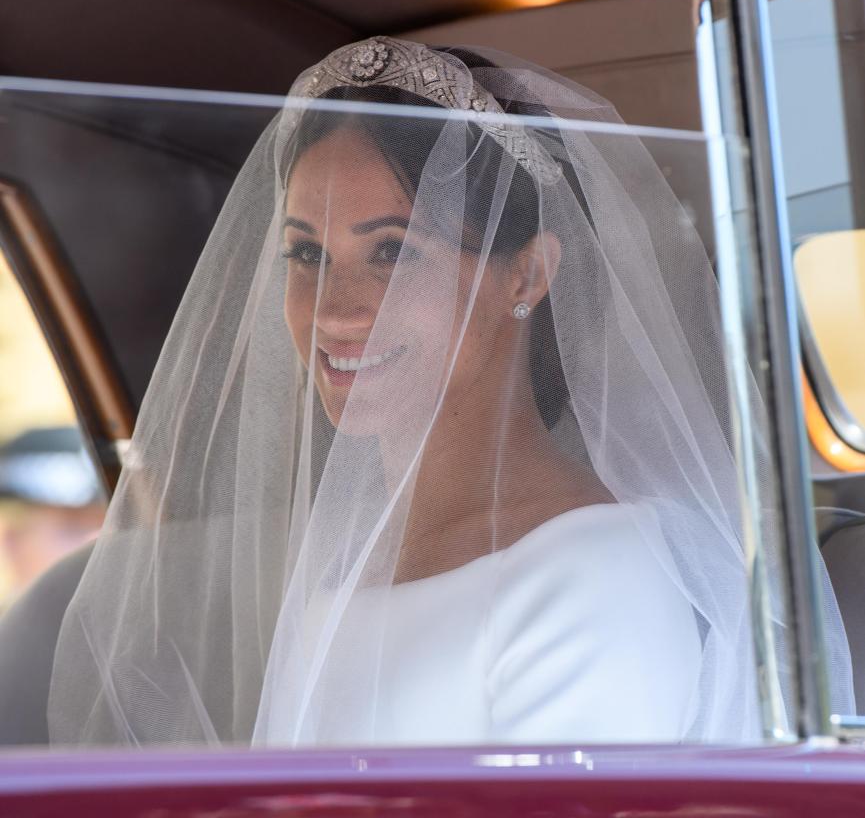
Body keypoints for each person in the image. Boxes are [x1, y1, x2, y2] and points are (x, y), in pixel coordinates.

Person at [47, 37, 853, 747]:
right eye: (304, 254)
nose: (333, 308)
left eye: (393, 252)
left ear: (527, 273)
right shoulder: (345, 561)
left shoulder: (595, 576)